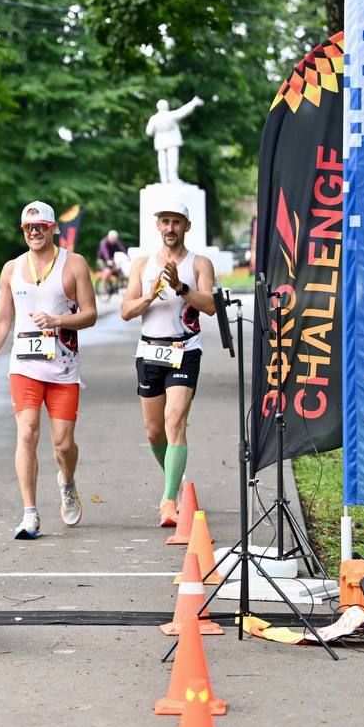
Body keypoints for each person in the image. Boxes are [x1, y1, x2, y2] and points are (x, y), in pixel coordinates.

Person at [0, 201, 97, 539]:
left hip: (63, 368)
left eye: (42, 226)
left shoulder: (74, 264)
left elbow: (90, 314)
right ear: (23, 230)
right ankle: (30, 514)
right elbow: (2, 321)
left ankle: (67, 482)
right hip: (24, 366)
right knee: (26, 433)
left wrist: (58, 320)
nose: (35, 232)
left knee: (63, 445)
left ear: (54, 228)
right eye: (29, 227)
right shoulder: (11, 269)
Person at [119, 201, 216, 527]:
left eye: (176, 222)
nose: (170, 227)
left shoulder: (199, 263)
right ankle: (178, 479)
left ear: (187, 226)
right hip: (150, 351)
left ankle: (168, 500)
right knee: (154, 432)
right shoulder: (142, 264)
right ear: (157, 226)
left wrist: (179, 287)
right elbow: (126, 311)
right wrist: (149, 295)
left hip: (185, 349)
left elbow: (211, 306)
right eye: (165, 221)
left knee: (175, 421)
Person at [145, 96, 204, 185]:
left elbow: (149, 132)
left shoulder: (154, 119)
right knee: (172, 160)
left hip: (160, 142)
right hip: (172, 141)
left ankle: (164, 180)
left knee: (162, 161)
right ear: (167, 106)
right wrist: (193, 103)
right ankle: (173, 179)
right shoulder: (171, 115)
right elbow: (183, 111)